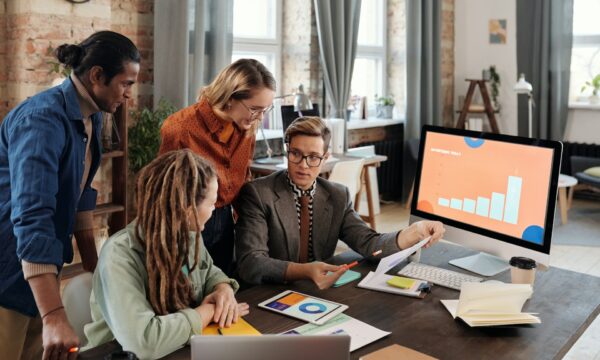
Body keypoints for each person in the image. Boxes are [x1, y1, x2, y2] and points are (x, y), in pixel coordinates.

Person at [0, 31, 140, 359]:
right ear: (96, 76)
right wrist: (54, 314)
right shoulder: (42, 120)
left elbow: (79, 197)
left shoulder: (90, 116)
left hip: (37, 272)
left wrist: (95, 272)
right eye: (126, 83)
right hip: (7, 270)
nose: (130, 94)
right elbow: (33, 216)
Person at [235, 116, 446, 289]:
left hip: (317, 292)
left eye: (313, 157)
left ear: (325, 158)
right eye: (296, 154)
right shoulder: (258, 193)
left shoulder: (337, 195)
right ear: (287, 151)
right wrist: (304, 271)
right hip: (266, 292)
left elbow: (369, 243)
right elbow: (251, 263)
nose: (303, 165)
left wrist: (413, 232)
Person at [84, 150, 248, 359]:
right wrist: (205, 313)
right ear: (188, 210)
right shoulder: (119, 256)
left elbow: (208, 272)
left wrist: (223, 288)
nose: (214, 210)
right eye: (211, 203)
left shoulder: (188, 236)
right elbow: (143, 342)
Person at [159, 59, 276, 275]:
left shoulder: (246, 126)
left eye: (265, 110)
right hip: (188, 223)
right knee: (189, 293)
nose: (260, 117)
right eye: (255, 109)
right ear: (230, 98)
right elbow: (165, 193)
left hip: (225, 219)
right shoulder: (180, 128)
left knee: (221, 288)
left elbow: (243, 177)